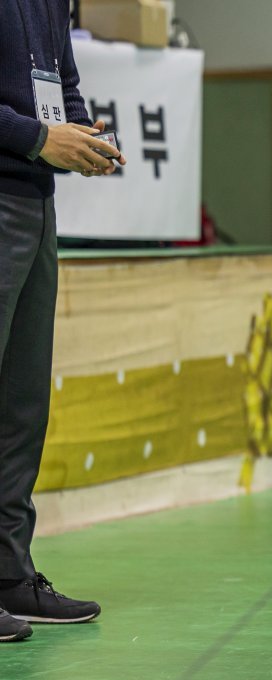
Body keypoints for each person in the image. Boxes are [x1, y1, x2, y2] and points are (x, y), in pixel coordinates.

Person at [0, 0, 122, 642]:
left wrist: (81, 134)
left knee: (22, 406)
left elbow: (61, 82)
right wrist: (39, 137)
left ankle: (9, 574)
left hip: (34, 200)